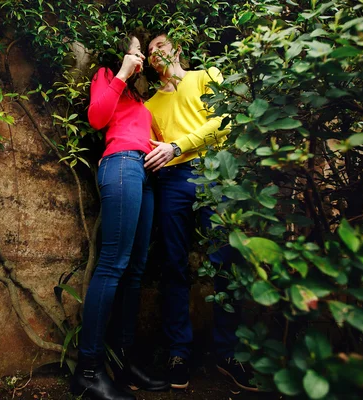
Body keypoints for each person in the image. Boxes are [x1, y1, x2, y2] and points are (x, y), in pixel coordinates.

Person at [144, 33, 252, 391]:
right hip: (171, 182)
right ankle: (179, 352)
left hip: (212, 172)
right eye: (149, 50)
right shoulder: (148, 106)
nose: (154, 52)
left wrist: (178, 145)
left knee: (226, 258)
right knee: (174, 263)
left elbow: (225, 122)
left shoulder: (207, 76)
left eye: (160, 45)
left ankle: (229, 353)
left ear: (177, 48)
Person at [70, 33, 169, 400]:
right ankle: (88, 371)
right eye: (135, 47)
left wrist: (162, 148)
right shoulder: (108, 76)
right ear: (123, 52)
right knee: (113, 264)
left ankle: (124, 363)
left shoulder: (141, 100)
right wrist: (123, 73)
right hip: (122, 165)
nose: (140, 53)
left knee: (135, 270)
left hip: (145, 174)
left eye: (141, 48)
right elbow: (97, 118)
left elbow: (153, 137)